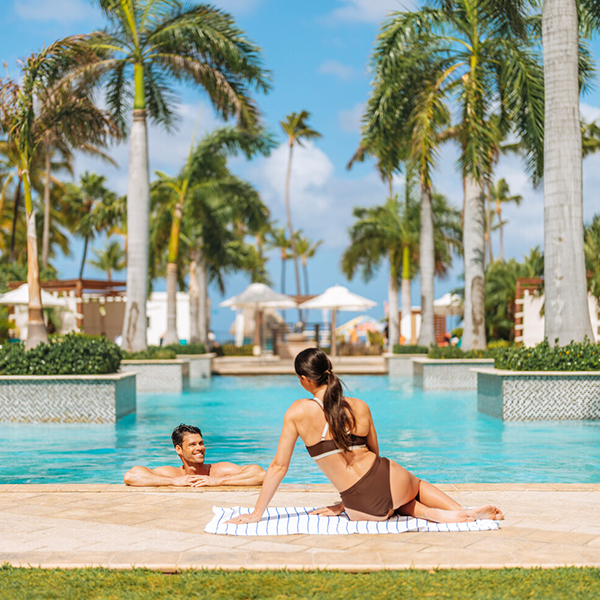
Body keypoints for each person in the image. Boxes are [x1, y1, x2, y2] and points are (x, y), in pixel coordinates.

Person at [227, 348, 504, 525]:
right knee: (414, 487)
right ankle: (459, 511)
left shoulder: (298, 411)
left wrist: (257, 513)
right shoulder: (359, 406)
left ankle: (435, 514)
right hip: (390, 480)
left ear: (304, 379)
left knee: (389, 505)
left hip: (362, 506)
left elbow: (278, 467)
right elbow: (375, 455)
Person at [124, 424, 266, 487]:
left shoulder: (217, 471)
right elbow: (131, 476)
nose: (199, 448)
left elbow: (260, 474)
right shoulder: (173, 474)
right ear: (179, 449)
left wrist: (218, 481)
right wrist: (173, 482)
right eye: (192, 444)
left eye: (201, 443)